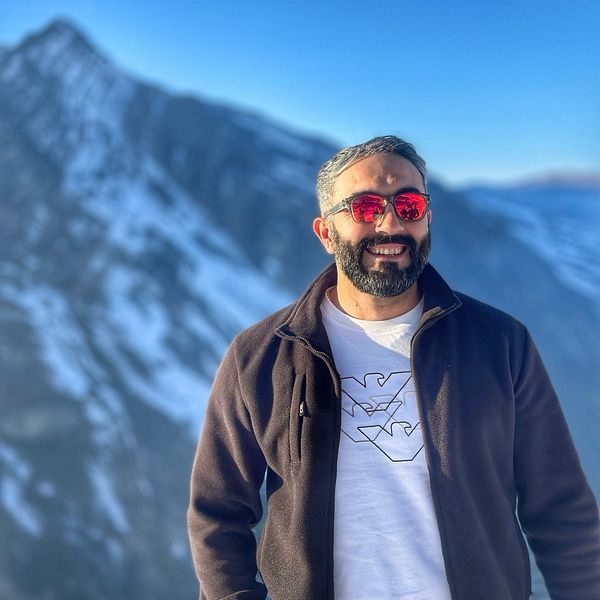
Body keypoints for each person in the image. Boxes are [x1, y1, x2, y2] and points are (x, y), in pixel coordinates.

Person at [187, 136, 600, 599]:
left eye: (409, 205)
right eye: (365, 208)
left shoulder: (499, 343)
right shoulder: (261, 356)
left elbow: (560, 507)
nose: (390, 223)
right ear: (326, 233)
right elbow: (218, 514)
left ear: (427, 219)